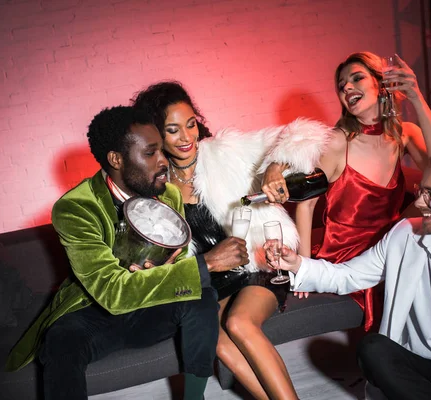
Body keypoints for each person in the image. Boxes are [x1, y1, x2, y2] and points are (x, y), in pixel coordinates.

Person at [5, 106, 248, 400]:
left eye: (161, 150)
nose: (163, 161)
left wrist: (173, 270)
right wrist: (206, 262)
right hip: (94, 312)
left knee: (201, 296)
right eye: (151, 153)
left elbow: (180, 268)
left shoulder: (168, 195)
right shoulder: (76, 208)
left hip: (150, 310)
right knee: (60, 340)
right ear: (116, 159)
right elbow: (111, 292)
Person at [132, 81, 332, 399]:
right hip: (213, 280)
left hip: (260, 261)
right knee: (217, 339)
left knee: (238, 323)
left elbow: (304, 134)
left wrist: (274, 169)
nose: (186, 137)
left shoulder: (227, 151)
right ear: (156, 135)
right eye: (173, 130)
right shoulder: (156, 187)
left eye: (190, 124)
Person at [267, 150, 431, 400]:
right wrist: (297, 263)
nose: (418, 203)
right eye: (420, 191)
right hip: (422, 370)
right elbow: (349, 276)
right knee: (374, 349)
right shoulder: (405, 235)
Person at [261, 52, 431, 333]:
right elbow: (307, 206)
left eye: (356, 78)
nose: (346, 87)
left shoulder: (404, 134)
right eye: (341, 85)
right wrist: (304, 268)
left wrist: (416, 97)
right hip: (344, 254)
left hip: (392, 247)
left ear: (380, 84)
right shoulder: (338, 141)